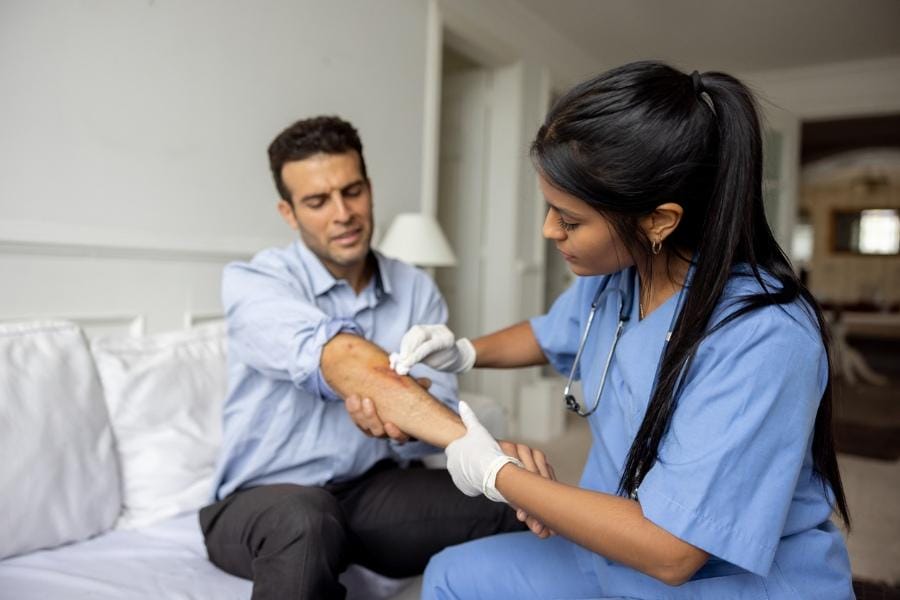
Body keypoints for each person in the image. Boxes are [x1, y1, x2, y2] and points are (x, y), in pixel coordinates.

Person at [389, 62, 855, 598]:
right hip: (611, 546)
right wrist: (465, 351)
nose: (548, 230)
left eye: (570, 219)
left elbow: (673, 551)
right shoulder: (618, 277)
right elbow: (549, 334)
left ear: (659, 220)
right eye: (549, 209)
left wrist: (499, 474)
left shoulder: (764, 337)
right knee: (452, 574)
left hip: (716, 578)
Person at [198, 116, 525, 600]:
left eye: (352, 191)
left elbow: (438, 415)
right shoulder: (255, 282)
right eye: (317, 201)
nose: (342, 213)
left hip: (373, 493)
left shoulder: (416, 289)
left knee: (513, 500)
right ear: (288, 213)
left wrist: (406, 420)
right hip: (262, 501)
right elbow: (338, 356)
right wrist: (404, 396)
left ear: (369, 189)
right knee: (307, 520)